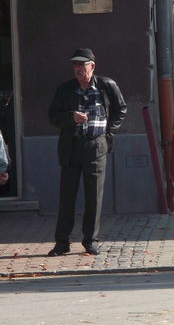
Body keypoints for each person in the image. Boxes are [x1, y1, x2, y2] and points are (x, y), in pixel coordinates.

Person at [47, 48, 127, 257]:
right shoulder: (65, 89)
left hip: (96, 146)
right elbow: (53, 116)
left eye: (82, 65)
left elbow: (121, 109)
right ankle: (62, 242)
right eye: (75, 65)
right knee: (67, 197)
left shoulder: (106, 85)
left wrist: (108, 133)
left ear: (92, 66)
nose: (78, 69)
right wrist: (70, 118)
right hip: (71, 147)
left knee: (94, 197)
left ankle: (90, 240)